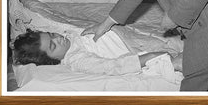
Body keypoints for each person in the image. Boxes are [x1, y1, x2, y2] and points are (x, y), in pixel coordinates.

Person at [13, 29, 182, 76]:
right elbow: (112, 67)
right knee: (180, 48)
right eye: (53, 46)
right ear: (52, 59)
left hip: (131, 34)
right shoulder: (77, 59)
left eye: (52, 35)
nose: (58, 39)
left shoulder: (68, 38)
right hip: (137, 48)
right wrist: (149, 57)